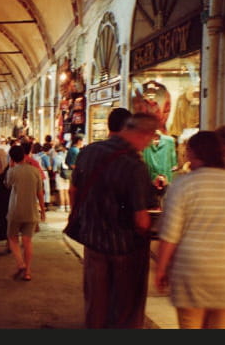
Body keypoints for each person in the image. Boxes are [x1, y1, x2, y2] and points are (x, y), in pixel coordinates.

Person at [68, 112, 159, 328]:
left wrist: (86, 218)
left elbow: (74, 191)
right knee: (126, 310)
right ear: (143, 134)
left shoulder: (88, 152)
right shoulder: (135, 166)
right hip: (126, 250)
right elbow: (141, 220)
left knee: (96, 306)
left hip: (93, 244)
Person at [154, 130, 225, 329]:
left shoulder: (183, 185)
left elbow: (170, 234)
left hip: (192, 273)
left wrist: (161, 269)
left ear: (194, 153)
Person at [4, 144, 45, 281]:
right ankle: (27, 272)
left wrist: (11, 167)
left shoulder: (12, 171)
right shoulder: (35, 171)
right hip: (31, 211)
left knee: (12, 238)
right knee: (27, 242)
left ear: (12, 158)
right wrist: (43, 211)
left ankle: (20, 263)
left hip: (15, 210)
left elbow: (7, 185)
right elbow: (40, 193)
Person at [53, 142, 71, 211]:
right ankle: (68, 206)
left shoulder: (56, 157)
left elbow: (55, 169)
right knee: (66, 191)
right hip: (67, 174)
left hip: (60, 175)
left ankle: (62, 207)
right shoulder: (66, 155)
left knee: (61, 191)